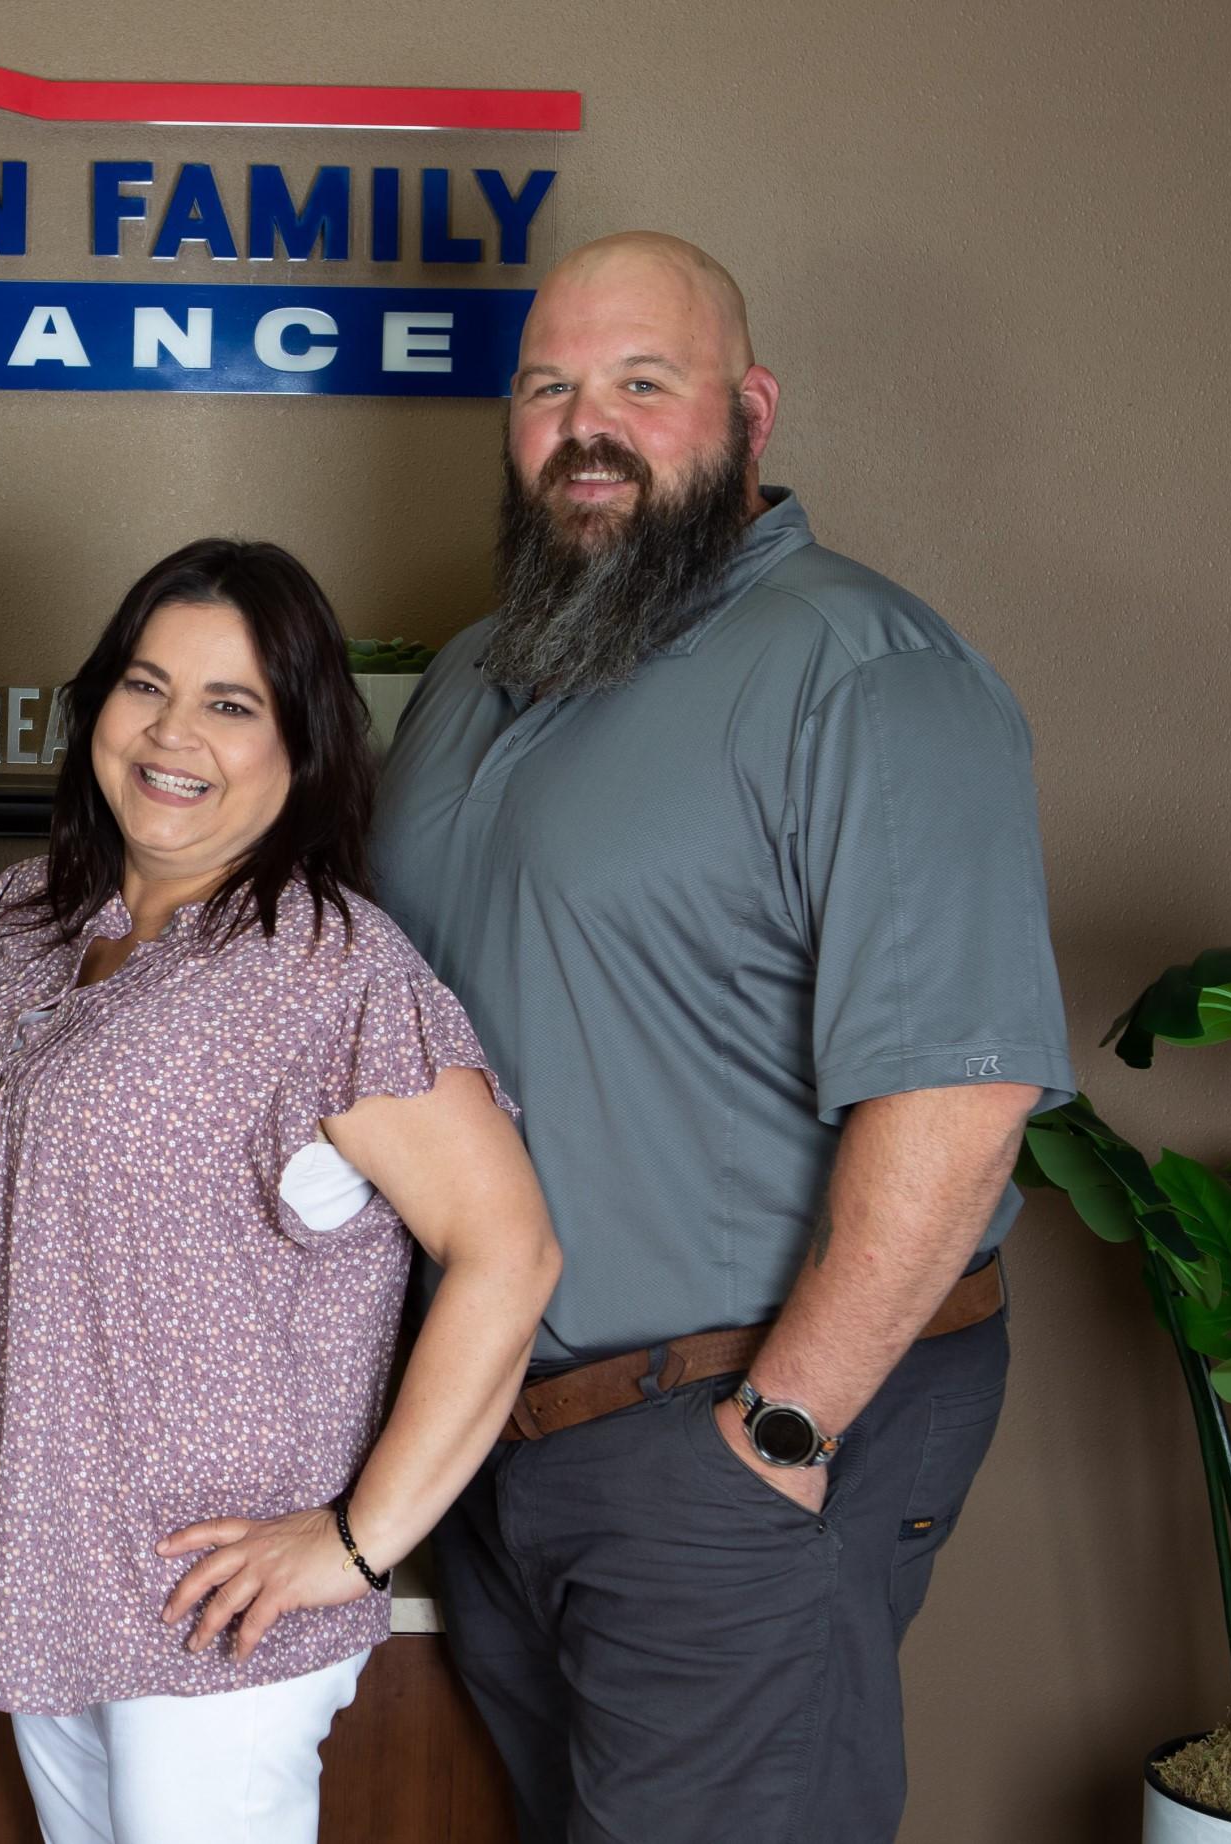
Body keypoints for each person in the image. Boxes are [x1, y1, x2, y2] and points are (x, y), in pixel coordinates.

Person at [371, 231, 1076, 1842]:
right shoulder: (480, 674)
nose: (585, 424)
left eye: (641, 383)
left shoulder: (867, 673)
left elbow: (956, 1098)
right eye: (548, 386)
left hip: (725, 1427)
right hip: (502, 1436)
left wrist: (779, 1429)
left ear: (748, 411)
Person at [0, 538, 561, 1844]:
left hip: (209, 1603)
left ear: (302, 746)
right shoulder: (34, 918)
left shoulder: (326, 968)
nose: (172, 732)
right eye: (143, 685)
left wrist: (354, 1541)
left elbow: (507, 1252)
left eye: (230, 704)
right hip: (46, 1569)